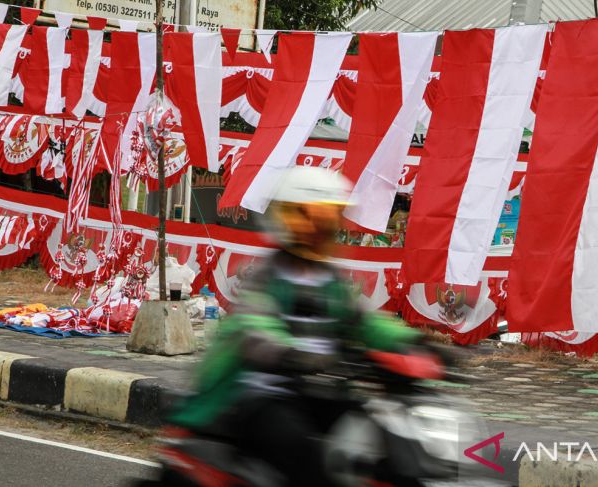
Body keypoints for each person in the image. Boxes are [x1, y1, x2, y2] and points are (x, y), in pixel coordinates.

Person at [168, 166, 424, 487]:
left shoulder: (331, 280)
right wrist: (293, 353)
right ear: (286, 220)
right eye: (310, 218)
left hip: (320, 392)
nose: (318, 229)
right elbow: (256, 327)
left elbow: (366, 323)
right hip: (264, 395)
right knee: (303, 454)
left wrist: (417, 344)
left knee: (386, 444)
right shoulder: (267, 277)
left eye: (328, 220)